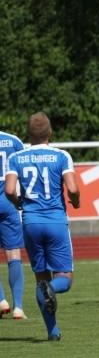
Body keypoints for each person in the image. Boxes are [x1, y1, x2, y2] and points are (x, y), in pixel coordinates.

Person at [4, 112, 81, 341]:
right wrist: (75, 202)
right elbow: (73, 189)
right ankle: (53, 289)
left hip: (30, 222)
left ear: (28, 134)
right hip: (56, 221)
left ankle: (53, 332)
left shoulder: (16, 157)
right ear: (50, 132)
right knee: (64, 279)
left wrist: (19, 203)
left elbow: (9, 190)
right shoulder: (61, 155)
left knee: (41, 279)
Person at [0, 130, 27, 320]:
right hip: (8, 204)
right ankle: (18, 308)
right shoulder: (13, 141)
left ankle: (1, 301)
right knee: (14, 254)